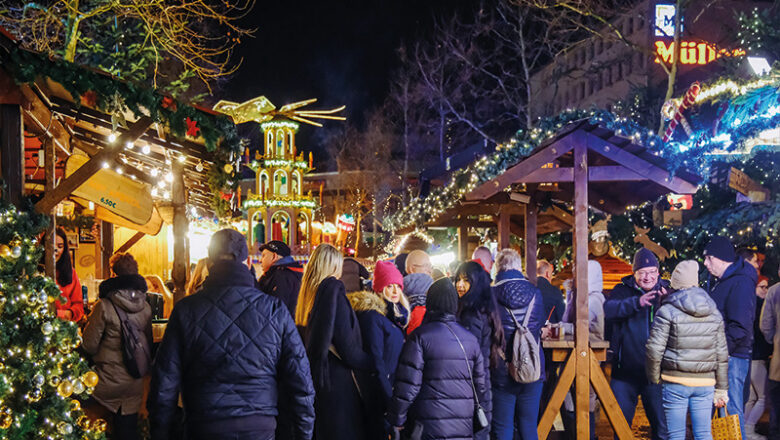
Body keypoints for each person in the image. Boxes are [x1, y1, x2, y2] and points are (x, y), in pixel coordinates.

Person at [149, 229, 315, 440]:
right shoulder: (274, 310)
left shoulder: (186, 310)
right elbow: (300, 380)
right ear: (247, 264)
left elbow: (164, 383)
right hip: (259, 427)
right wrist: (303, 433)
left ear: (209, 263)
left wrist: (161, 432)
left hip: (204, 426)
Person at [387, 278, 488, 439]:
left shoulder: (420, 337)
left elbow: (408, 387)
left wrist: (397, 420)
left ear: (430, 304)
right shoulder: (470, 340)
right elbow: (480, 387)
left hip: (428, 427)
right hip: (463, 425)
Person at [296, 243, 373, 440]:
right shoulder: (333, 291)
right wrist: (373, 362)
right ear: (333, 266)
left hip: (319, 382)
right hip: (340, 385)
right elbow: (347, 348)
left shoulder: (308, 295)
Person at [645, 260, 729, 440]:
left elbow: (654, 349)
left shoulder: (667, 311)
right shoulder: (714, 313)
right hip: (705, 383)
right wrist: (721, 388)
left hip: (675, 380)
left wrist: (654, 377)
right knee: (704, 434)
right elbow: (722, 355)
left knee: (675, 435)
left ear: (675, 283)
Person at [83, 253, 151, 440]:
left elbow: (89, 345)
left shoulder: (103, 305)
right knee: (127, 432)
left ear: (113, 274)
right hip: (135, 383)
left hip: (106, 385)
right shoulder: (146, 306)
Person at [604, 247, 669, 440]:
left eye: (651, 272)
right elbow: (609, 310)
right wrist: (636, 303)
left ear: (658, 272)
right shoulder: (621, 291)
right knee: (621, 428)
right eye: (642, 273)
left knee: (662, 430)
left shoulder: (667, 292)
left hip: (658, 377)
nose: (647, 277)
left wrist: (667, 302)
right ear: (634, 274)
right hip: (624, 375)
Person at [704, 235, 758, 438]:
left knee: (731, 412)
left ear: (721, 258)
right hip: (727, 355)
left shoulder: (740, 283)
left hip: (732, 357)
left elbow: (740, 327)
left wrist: (720, 353)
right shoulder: (724, 281)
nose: (706, 263)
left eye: (709, 258)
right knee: (724, 412)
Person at [490, 249, 543, 440]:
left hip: (502, 370)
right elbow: (539, 326)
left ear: (498, 268)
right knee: (528, 426)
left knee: (503, 427)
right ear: (519, 267)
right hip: (532, 367)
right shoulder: (536, 293)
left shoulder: (491, 295)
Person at [347, 288, 404, 439]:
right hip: (380, 397)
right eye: (388, 285)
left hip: (382, 394)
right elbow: (376, 360)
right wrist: (390, 402)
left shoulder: (385, 316)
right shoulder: (372, 317)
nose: (394, 290)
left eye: (398, 286)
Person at [456, 261, 504, 439]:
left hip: (473, 387)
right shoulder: (484, 309)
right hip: (481, 384)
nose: (460, 285)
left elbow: (470, 355)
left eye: (466, 280)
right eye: (458, 279)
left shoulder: (471, 314)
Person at [560, 260, 606, 440]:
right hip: (580, 353)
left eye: (578, 275)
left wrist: (561, 328)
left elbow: (580, 326)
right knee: (574, 397)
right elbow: (567, 320)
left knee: (585, 399)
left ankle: (586, 436)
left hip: (590, 355)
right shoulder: (583, 297)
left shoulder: (594, 300)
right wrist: (571, 294)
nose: (575, 278)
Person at [746, 275, 771, 440]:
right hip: (756, 357)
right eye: (762, 287)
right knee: (764, 396)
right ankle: (748, 428)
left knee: (752, 397)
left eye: (766, 287)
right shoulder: (759, 307)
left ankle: (744, 428)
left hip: (750, 356)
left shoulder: (751, 305)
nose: (765, 290)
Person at [257, 240, 304, 316]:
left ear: (274, 257)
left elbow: (275, 311)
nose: (260, 260)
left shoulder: (282, 276)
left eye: (263, 256)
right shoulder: (290, 273)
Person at [760, 264, 780, 439]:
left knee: (777, 409)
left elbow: (765, 324)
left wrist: (775, 341)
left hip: (779, 363)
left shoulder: (774, 291)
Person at [53, 228, 84, 322]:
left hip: (65, 328)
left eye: (60, 246)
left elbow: (79, 304)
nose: (56, 250)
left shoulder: (71, 272)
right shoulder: (35, 272)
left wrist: (70, 313)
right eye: (52, 246)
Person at [404, 250, 434, 334]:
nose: (430, 271)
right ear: (411, 269)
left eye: (430, 266)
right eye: (426, 266)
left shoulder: (397, 294)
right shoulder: (430, 291)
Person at [374, 260, 411, 330]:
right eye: (390, 286)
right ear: (380, 290)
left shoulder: (403, 312)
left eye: (398, 286)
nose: (395, 291)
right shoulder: (375, 316)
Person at [537, 260, 565, 324]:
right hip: (549, 331)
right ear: (547, 274)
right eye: (551, 273)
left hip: (528, 331)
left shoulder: (528, 288)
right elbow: (560, 316)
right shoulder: (555, 291)